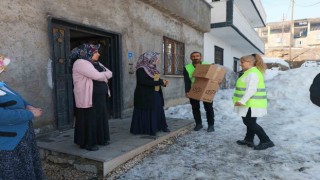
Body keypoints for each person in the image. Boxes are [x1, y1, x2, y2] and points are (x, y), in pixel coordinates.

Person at [0, 56, 44, 179]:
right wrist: (30, 114)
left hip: (20, 137)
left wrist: (28, 106)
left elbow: (17, 99)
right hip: (7, 143)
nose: (3, 71)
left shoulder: (2, 85)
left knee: (26, 170)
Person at [70, 43, 112, 151]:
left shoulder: (95, 62)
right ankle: (88, 143)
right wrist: (103, 76)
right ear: (87, 53)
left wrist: (103, 75)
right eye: (95, 52)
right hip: (88, 97)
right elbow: (96, 76)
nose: (98, 54)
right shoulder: (81, 62)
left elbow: (110, 73)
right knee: (89, 119)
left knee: (99, 117)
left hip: (98, 97)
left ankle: (100, 139)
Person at [233, 54, 274, 150]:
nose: (240, 64)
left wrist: (242, 101)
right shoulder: (250, 72)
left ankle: (266, 141)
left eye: (242, 62)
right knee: (250, 122)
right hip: (250, 103)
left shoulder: (253, 73)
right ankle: (249, 139)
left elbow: (251, 89)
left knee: (249, 122)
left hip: (252, 103)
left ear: (250, 62)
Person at [130, 51, 170, 136]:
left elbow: (155, 80)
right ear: (149, 59)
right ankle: (149, 129)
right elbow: (143, 81)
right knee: (149, 110)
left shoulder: (153, 69)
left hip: (155, 93)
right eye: (156, 58)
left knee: (158, 108)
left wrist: (163, 82)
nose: (157, 60)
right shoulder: (141, 69)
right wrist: (160, 82)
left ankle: (160, 126)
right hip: (144, 95)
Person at [183, 51, 215, 132]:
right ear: (191, 58)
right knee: (195, 108)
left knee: (208, 108)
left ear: (201, 57)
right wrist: (187, 91)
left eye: (197, 56)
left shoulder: (207, 65)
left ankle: (211, 125)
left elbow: (213, 76)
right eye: (193, 56)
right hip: (194, 89)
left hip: (206, 88)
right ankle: (198, 124)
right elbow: (187, 81)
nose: (195, 57)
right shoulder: (187, 67)